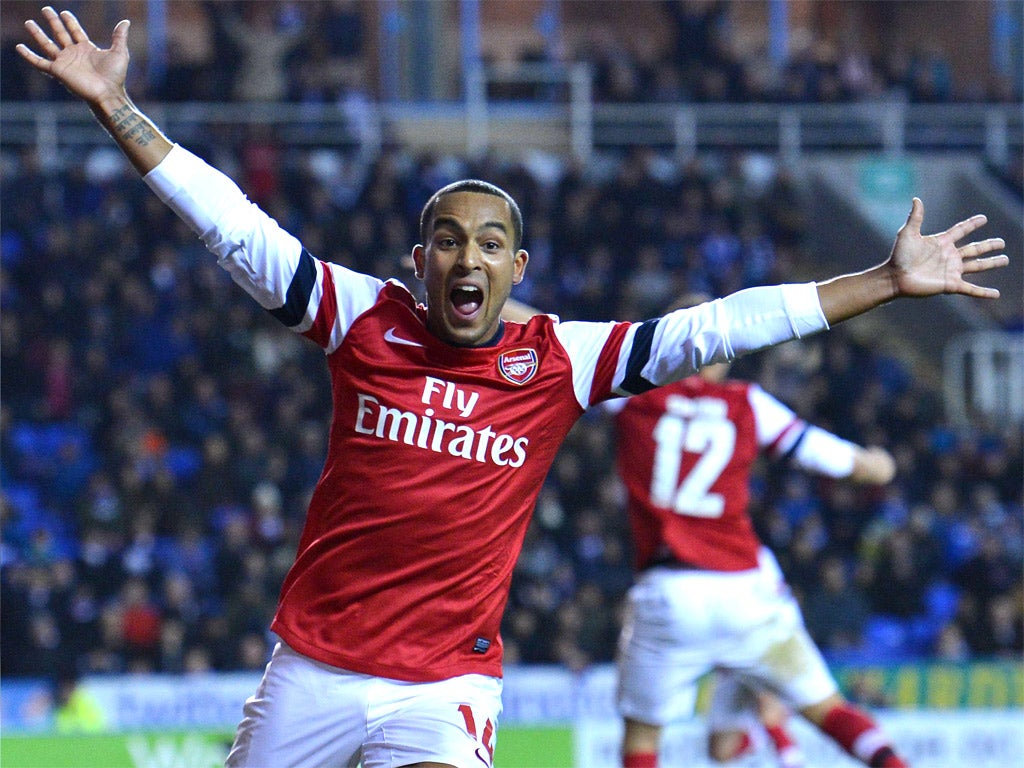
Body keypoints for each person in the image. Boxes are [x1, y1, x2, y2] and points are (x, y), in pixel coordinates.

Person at [17, 8, 1007, 768]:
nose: (467, 257)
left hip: (445, 685)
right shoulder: (358, 315)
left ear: (518, 267)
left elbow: (716, 326)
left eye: (490, 243)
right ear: (416, 260)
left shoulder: (562, 360)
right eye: (447, 239)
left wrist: (881, 281)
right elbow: (231, 226)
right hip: (313, 665)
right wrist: (115, 107)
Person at [608, 347, 907, 768]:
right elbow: (839, 461)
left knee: (642, 739)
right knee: (829, 710)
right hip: (744, 588)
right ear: (721, 354)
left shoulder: (629, 394)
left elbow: (558, 339)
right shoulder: (748, 402)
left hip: (668, 591)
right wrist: (880, 465)